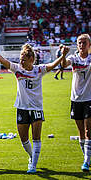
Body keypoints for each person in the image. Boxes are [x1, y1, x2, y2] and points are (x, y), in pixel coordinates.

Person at [0, 42, 69, 173]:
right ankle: (32, 156)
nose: (21, 62)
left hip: (36, 109)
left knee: (36, 138)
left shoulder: (39, 70)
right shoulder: (17, 69)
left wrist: (62, 56)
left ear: (31, 59)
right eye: (20, 59)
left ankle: (33, 165)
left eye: (23, 60)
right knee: (24, 139)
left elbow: (52, 66)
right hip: (22, 108)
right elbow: (2, 59)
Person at [61, 34, 91, 171]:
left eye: (84, 43)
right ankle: (87, 156)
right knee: (80, 131)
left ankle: (86, 161)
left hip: (89, 98)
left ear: (89, 45)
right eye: (79, 42)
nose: (81, 45)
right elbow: (63, 65)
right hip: (75, 99)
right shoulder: (74, 58)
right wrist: (63, 55)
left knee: (88, 131)